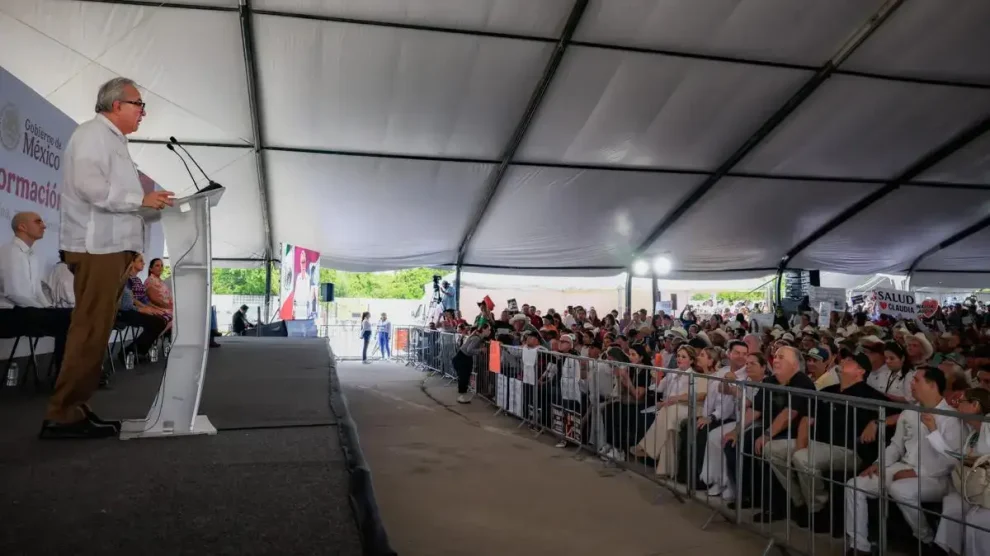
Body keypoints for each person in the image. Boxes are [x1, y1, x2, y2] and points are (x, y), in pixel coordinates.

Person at [41, 77, 174, 440]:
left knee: (96, 332)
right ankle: (63, 412)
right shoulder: (92, 134)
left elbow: (121, 201)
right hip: (96, 248)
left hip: (110, 249)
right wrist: (140, 201)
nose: (143, 111)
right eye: (138, 104)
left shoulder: (114, 141)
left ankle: (75, 408)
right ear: (117, 105)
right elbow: (89, 186)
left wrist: (153, 206)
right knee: (90, 331)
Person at [844, 367, 963, 554]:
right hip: (904, 467)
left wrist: (916, 473)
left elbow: (951, 461)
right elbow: (896, 446)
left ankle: (926, 538)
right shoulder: (910, 412)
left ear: (932, 385)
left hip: (938, 477)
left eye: (916, 380)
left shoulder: (951, 417)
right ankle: (859, 546)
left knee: (900, 489)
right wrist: (878, 463)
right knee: (854, 485)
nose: (911, 384)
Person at [0, 212, 72, 369]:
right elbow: (14, 294)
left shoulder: (33, 256)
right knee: (68, 320)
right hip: (7, 314)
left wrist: (48, 308)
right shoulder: (10, 252)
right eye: (38, 221)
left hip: (25, 311)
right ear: (22, 226)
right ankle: (64, 378)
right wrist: (46, 311)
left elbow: (37, 292)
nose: (44, 225)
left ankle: (69, 375)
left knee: (72, 318)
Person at [452, 323, 491, 404]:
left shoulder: (477, 337)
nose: (489, 331)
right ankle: (462, 396)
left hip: (463, 357)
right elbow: (469, 350)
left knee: (464, 377)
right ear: (483, 329)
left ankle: (462, 396)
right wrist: (480, 350)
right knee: (463, 377)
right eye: (488, 329)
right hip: (463, 358)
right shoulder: (476, 338)